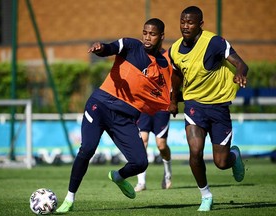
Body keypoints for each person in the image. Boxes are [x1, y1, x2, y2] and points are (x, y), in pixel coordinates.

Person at [56, 18, 173, 213]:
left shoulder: (164, 64)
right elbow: (110, 48)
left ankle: (118, 177)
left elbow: (165, 91)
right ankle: (69, 198)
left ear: (161, 36)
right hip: (99, 106)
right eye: (145, 32)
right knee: (87, 149)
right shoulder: (131, 45)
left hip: (124, 118)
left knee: (140, 163)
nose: (147, 37)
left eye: (152, 34)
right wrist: (100, 48)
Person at [169, 6, 248, 212]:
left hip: (219, 107)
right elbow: (176, 73)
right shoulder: (175, 49)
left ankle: (234, 156)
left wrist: (240, 73)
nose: (186, 26)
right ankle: (206, 195)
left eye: (191, 22)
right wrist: (173, 99)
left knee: (221, 163)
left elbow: (241, 64)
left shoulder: (214, 42)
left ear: (200, 25)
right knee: (195, 151)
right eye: (183, 22)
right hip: (194, 105)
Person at [134, 110, 172, 192]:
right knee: (142, 141)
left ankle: (167, 174)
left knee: (161, 145)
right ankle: (141, 182)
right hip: (144, 106)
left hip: (161, 107)